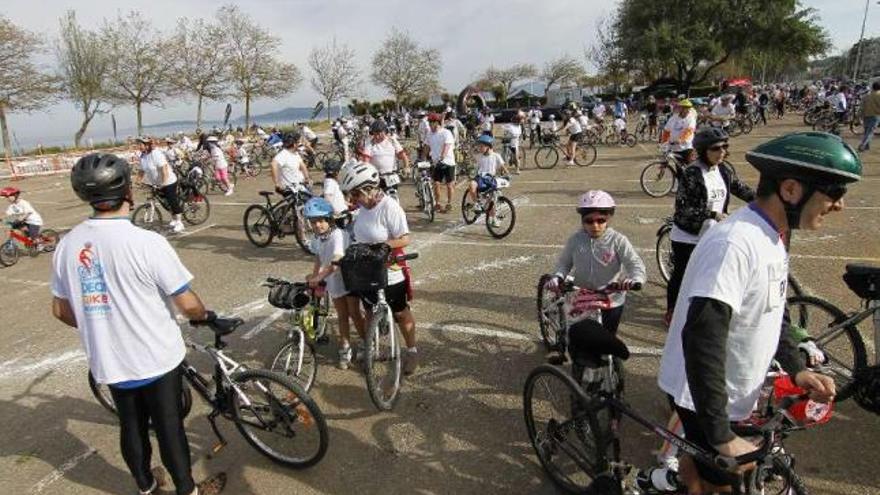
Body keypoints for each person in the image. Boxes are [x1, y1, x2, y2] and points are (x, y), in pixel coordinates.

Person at [658, 131, 859, 493]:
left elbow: (774, 311)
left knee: (704, 472)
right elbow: (702, 337)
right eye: (835, 192)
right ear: (792, 190)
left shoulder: (775, 235)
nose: (839, 205)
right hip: (703, 395)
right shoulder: (735, 243)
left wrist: (797, 371)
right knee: (721, 484)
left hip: (730, 390)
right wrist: (720, 435)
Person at [51, 153, 227, 495]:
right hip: (156, 355)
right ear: (126, 191)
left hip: (109, 358)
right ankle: (187, 490)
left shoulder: (67, 246)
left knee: (130, 424)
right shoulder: (147, 242)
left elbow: (60, 310)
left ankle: (145, 485)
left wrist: (97, 325)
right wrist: (204, 316)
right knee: (168, 426)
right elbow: (187, 303)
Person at [665, 128, 755, 326]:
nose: (721, 152)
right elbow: (683, 209)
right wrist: (712, 214)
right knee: (682, 274)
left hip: (713, 233)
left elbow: (741, 188)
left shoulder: (723, 170)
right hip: (688, 235)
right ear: (703, 150)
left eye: (724, 147)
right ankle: (672, 309)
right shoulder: (692, 173)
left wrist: (764, 202)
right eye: (716, 148)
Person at [546, 190, 647, 367]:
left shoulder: (618, 240)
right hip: (582, 296)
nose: (595, 225)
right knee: (578, 341)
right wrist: (557, 276)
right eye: (589, 221)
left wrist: (636, 278)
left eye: (601, 220)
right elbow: (564, 263)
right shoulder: (576, 240)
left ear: (609, 219)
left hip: (611, 298)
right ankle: (566, 354)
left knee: (606, 340)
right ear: (582, 221)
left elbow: (634, 263)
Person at [338, 161, 419, 374]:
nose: (352, 199)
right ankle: (374, 344)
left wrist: (383, 246)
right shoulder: (363, 209)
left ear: (368, 189)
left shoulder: (389, 207)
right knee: (371, 312)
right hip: (367, 271)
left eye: (355, 194)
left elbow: (405, 238)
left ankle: (411, 351)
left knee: (401, 313)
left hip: (391, 272)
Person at [302, 197, 364, 370]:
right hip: (333, 280)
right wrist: (315, 277)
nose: (317, 225)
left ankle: (366, 341)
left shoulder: (337, 235)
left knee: (354, 312)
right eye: (313, 222)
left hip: (350, 277)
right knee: (341, 315)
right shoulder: (317, 238)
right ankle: (345, 347)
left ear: (329, 219)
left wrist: (319, 276)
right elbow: (319, 257)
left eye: (321, 221)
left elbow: (336, 259)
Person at [137, 137, 185, 233]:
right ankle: (174, 219)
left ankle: (179, 222)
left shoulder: (156, 154)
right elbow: (141, 170)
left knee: (172, 201)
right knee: (165, 203)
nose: (139, 146)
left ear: (147, 145)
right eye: (138, 145)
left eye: (140, 144)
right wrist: (137, 181)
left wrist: (164, 183)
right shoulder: (143, 156)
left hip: (168, 181)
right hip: (157, 183)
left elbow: (164, 169)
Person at [359, 119, 409, 198]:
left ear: (384, 131)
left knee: (393, 196)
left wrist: (406, 167)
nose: (377, 136)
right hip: (378, 177)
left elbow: (403, 155)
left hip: (392, 175)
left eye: (379, 133)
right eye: (375, 134)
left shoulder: (392, 140)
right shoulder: (370, 144)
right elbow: (366, 160)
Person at [467, 135, 510, 227]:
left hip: (490, 179)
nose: (480, 148)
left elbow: (503, 167)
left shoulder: (496, 156)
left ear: (489, 146)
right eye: (479, 146)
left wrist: (507, 174)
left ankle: (494, 218)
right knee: (471, 184)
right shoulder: (479, 156)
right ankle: (476, 203)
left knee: (492, 199)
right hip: (480, 177)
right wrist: (473, 146)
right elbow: (471, 152)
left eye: (482, 146)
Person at [427, 113, 457, 213]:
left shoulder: (446, 133)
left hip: (448, 162)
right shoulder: (429, 134)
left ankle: (449, 203)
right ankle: (437, 203)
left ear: (437, 123)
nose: (430, 124)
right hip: (436, 163)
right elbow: (426, 147)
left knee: (449, 184)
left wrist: (442, 156)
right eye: (429, 122)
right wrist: (422, 158)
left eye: (431, 122)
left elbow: (447, 145)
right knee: (436, 183)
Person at [858, 81, 880, 152]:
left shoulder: (866, 96)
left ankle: (866, 147)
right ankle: (863, 145)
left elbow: (861, 107)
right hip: (875, 115)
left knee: (867, 131)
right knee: (870, 132)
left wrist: (859, 116)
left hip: (866, 115)